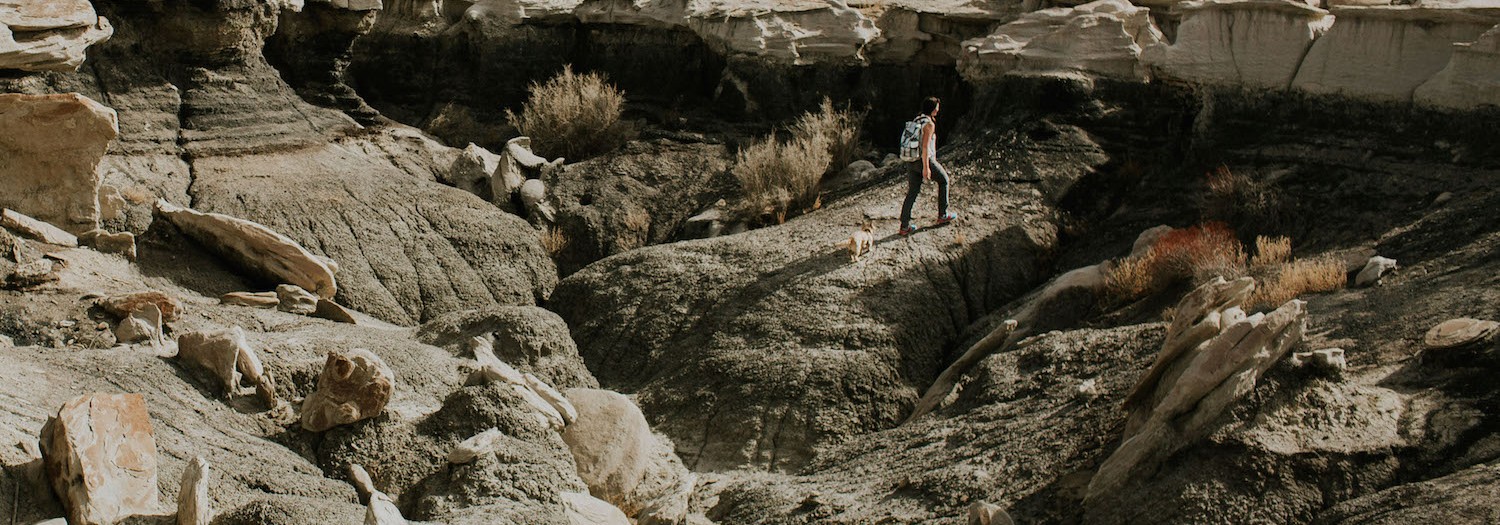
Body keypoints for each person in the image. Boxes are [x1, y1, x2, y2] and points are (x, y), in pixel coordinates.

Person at [899, 96, 956, 236]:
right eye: (937, 107)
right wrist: (926, 167)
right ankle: (943, 214)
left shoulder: (917, 119)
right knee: (944, 181)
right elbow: (925, 147)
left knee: (912, 191)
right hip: (924, 160)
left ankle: (904, 226)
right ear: (932, 108)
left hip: (911, 161)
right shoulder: (929, 124)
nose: (938, 109)